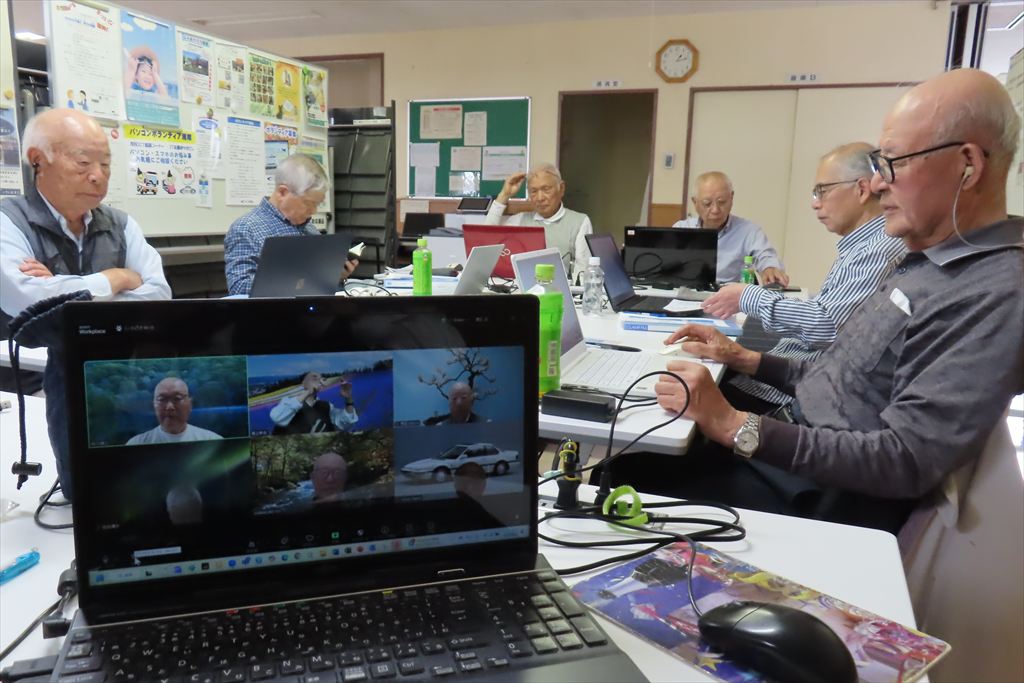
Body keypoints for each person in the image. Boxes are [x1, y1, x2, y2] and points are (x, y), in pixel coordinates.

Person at [650, 68, 1023, 533]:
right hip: (795, 447)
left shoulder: (993, 289)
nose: (878, 185)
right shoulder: (926, 258)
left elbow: (905, 459)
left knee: (625, 473)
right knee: (649, 440)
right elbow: (834, 376)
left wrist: (732, 424)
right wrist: (745, 359)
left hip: (817, 493)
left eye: (893, 163)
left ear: (967, 164)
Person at [0, 108, 171, 497]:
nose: (98, 175)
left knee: (145, 482)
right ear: (38, 161)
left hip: (132, 368)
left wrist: (64, 289)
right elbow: (26, 300)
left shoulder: (121, 224)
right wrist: (116, 279)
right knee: (86, 493)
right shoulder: (9, 220)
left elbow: (160, 293)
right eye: (83, 162)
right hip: (64, 375)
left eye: (105, 164)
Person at [700, 143, 907, 411]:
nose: (815, 203)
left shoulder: (878, 250)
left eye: (822, 191)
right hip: (795, 373)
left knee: (693, 389)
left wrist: (748, 296)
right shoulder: (862, 245)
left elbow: (826, 326)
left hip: (798, 390)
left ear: (861, 189)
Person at [224, 153, 357, 296]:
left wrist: (334, 276)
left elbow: (317, 287)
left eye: (317, 204)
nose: (313, 211)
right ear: (282, 192)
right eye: (308, 203)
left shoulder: (309, 229)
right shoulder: (246, 229)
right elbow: (239, 289)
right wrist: (295, 279)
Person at [672, 172, 788, 285]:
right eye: (707, 204)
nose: (715, 210)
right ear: (695, 202)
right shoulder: (681, 229)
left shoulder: (748, 231)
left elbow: (765, 255)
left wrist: (769, 268)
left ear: (731, 198)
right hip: (686, 293)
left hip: (730, 294)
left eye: (721, 202)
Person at [484, 164, 593, 281]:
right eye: (533, 191)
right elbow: (486, 240)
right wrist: (504, 195)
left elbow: (583, 272)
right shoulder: (520, 220)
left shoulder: (579, 221)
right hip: (522, 289)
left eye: (546, 189)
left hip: (560, 290)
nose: (540, 198)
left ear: (561, 188)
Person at [127, 377, 223, 445]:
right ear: (154, 405)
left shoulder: (212, 440)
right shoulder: (136, 443)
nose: (169, 407)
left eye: (177, 398)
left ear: (190, 404)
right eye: (162, 399)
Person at [270, 370, 358, 434]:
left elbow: (346, 421)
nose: (319, 380)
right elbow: (277, 417)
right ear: (303, 383)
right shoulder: (288, 401)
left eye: (321, 378)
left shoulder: (326, 406)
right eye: (314, 377)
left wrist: (348, 398)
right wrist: (308, 392)